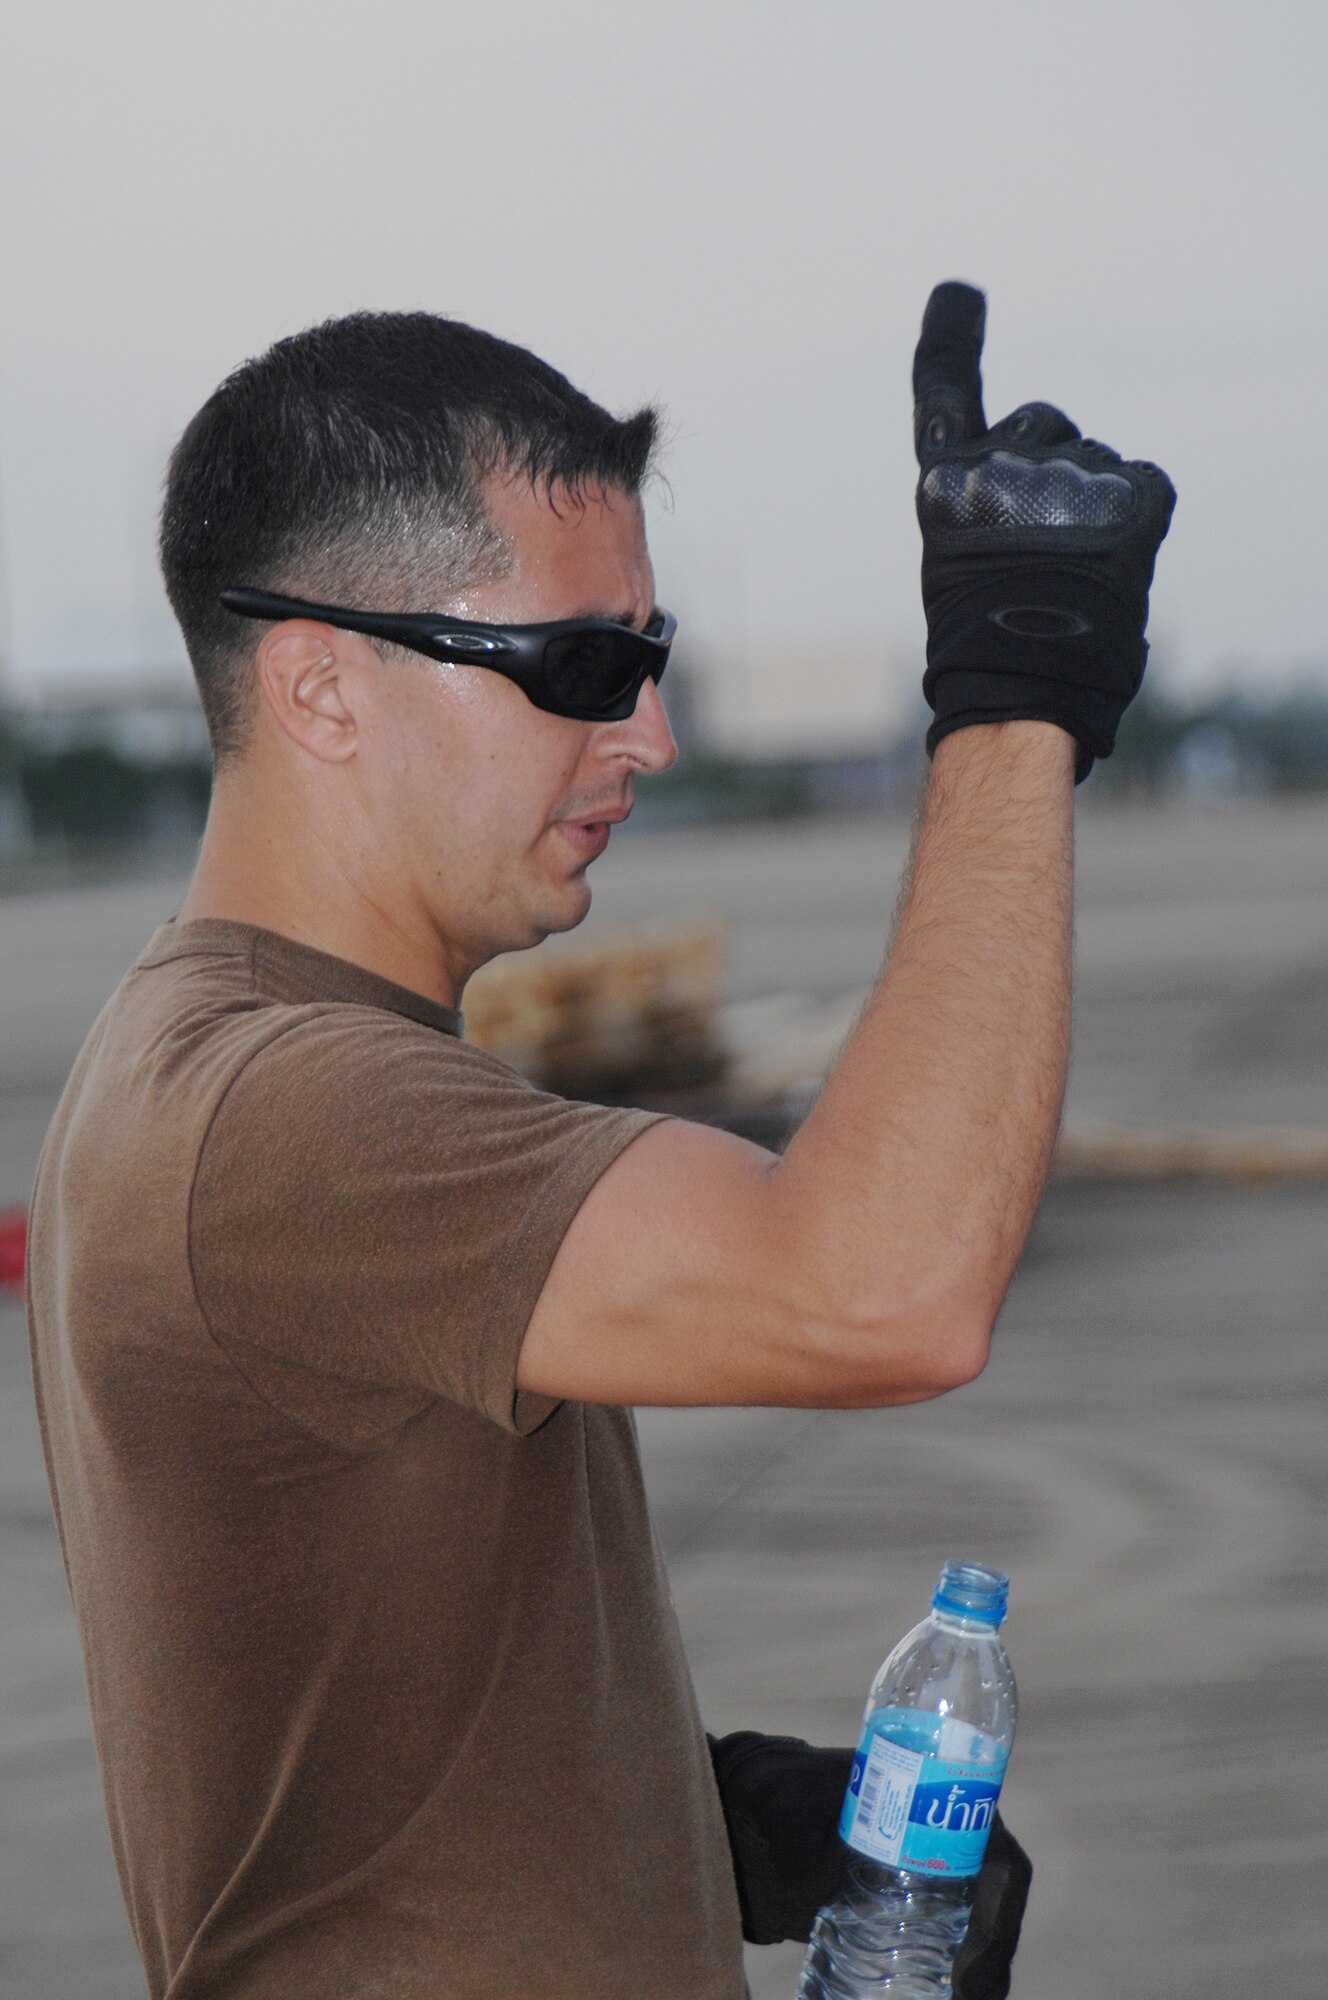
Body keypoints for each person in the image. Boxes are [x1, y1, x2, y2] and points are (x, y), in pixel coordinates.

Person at [27, 285, 1174, 1999]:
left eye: (651, 656)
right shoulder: (285, 1111)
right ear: (321, 690)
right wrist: (1016, 696)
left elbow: (343, 1719)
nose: (649, 734)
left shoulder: (230, 1060)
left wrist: (690, 1820)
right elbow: (883, 1295)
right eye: (583, 665)